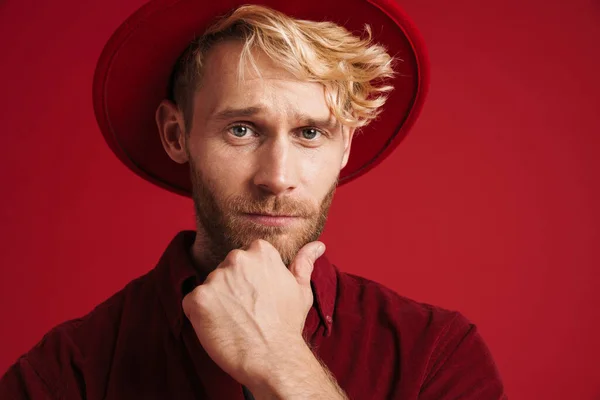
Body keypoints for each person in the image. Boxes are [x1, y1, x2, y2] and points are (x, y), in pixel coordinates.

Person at [0, 0, 506, 398]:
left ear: (345, 145)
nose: (277, 177)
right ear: (177, 135)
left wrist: (282, 363)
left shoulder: (436, 355)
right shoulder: (66, 373)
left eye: (310, 132)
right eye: (241, 130)